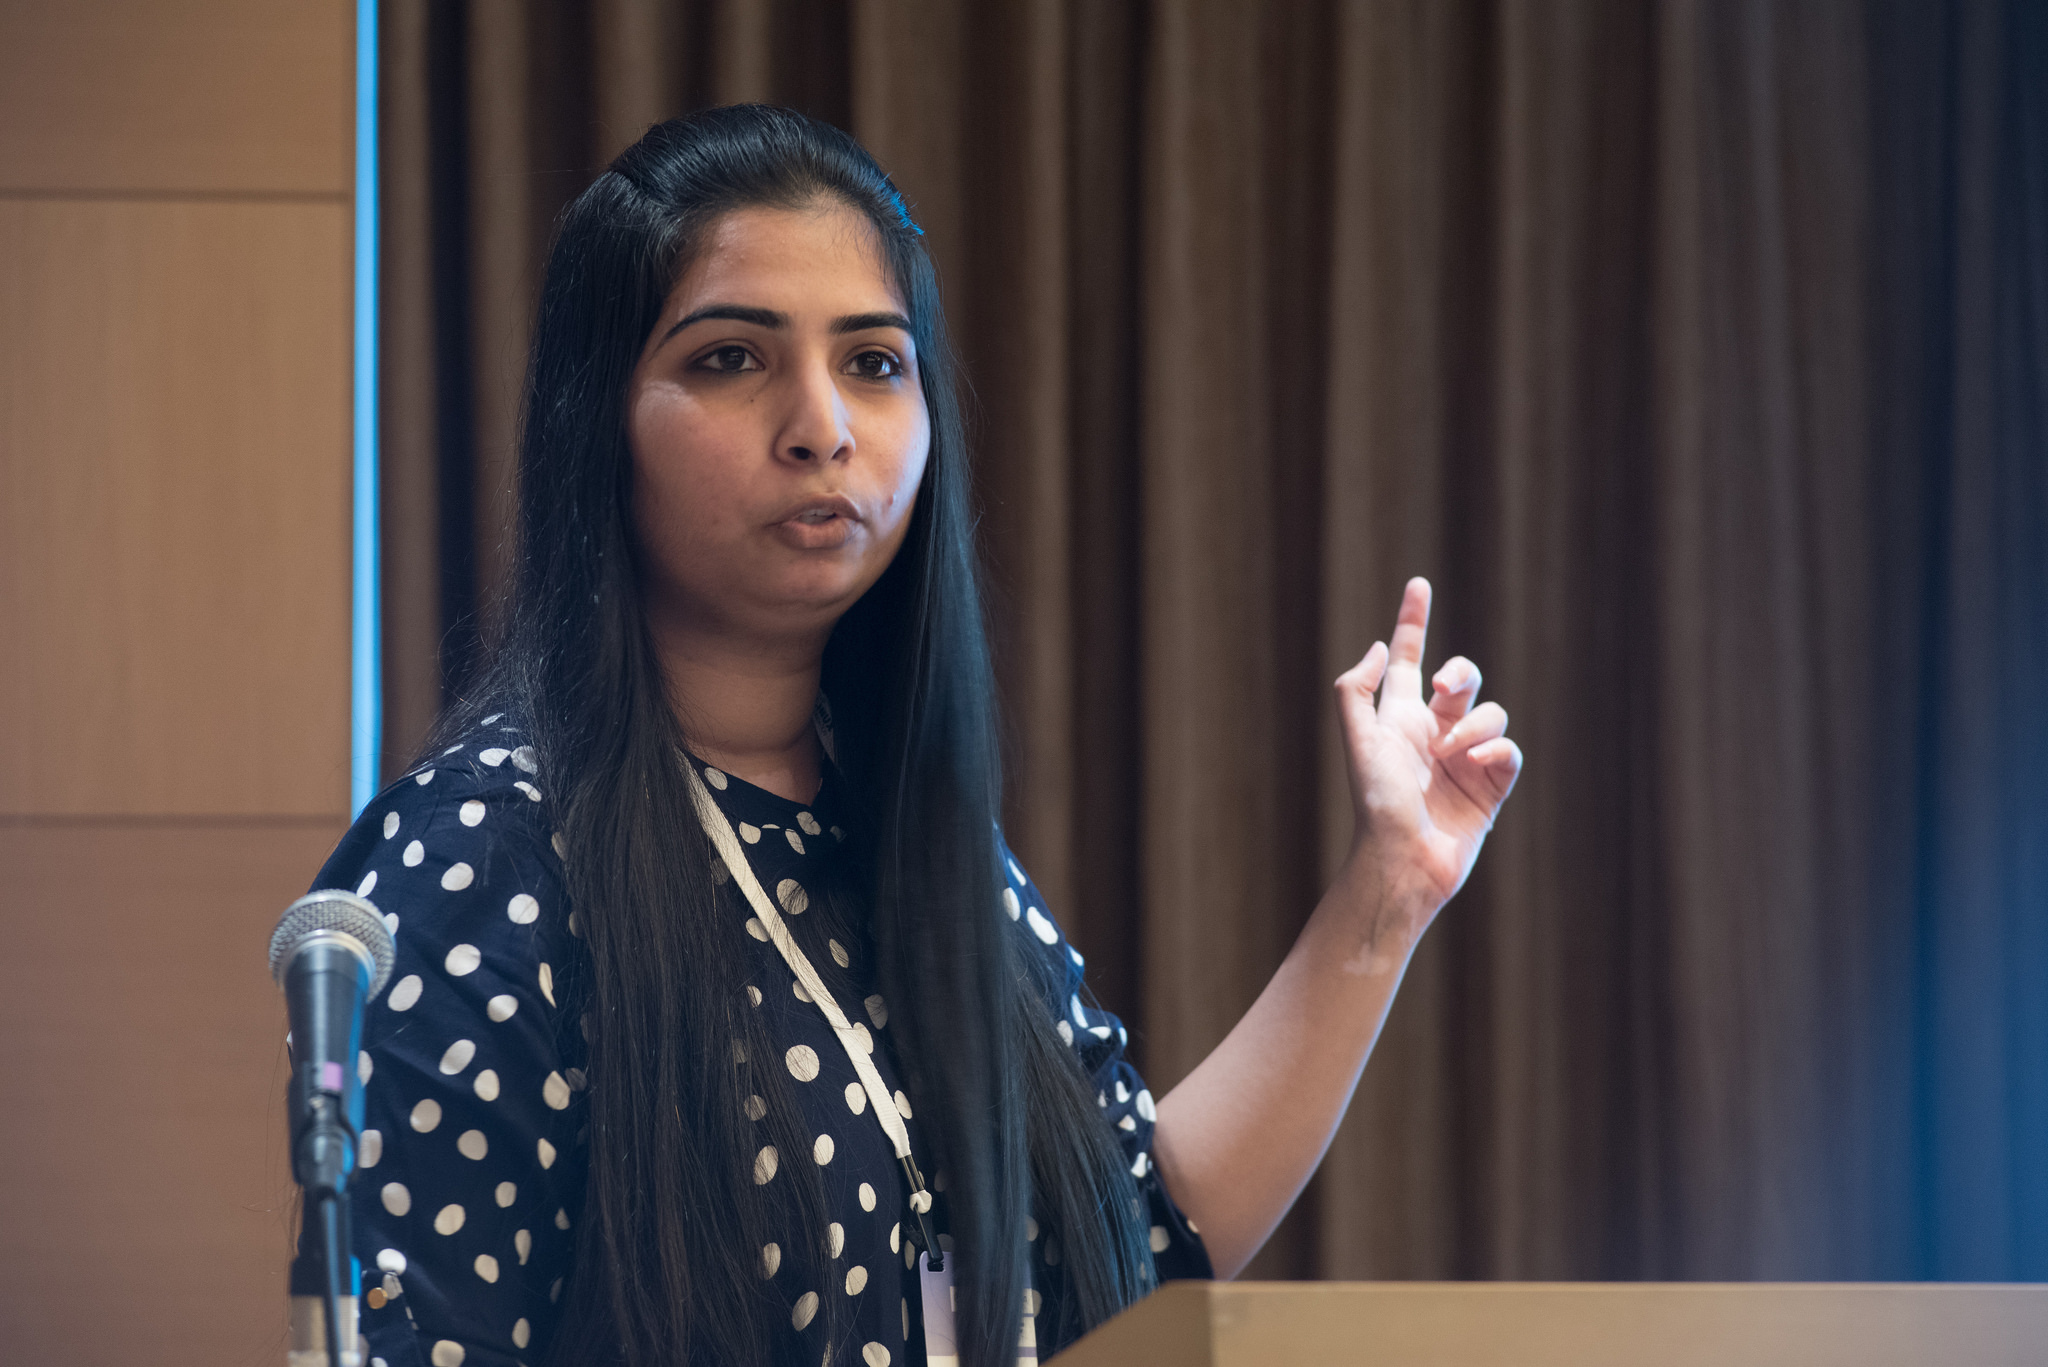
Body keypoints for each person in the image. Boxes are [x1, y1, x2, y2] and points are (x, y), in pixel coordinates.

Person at [310, 104, 1521, 1367]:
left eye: (874, 363)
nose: (821, 425)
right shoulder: (481, 856)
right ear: (597, 419)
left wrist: (1386, 891)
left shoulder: (893, 816)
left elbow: (1134, 1242)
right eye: (730, 357)